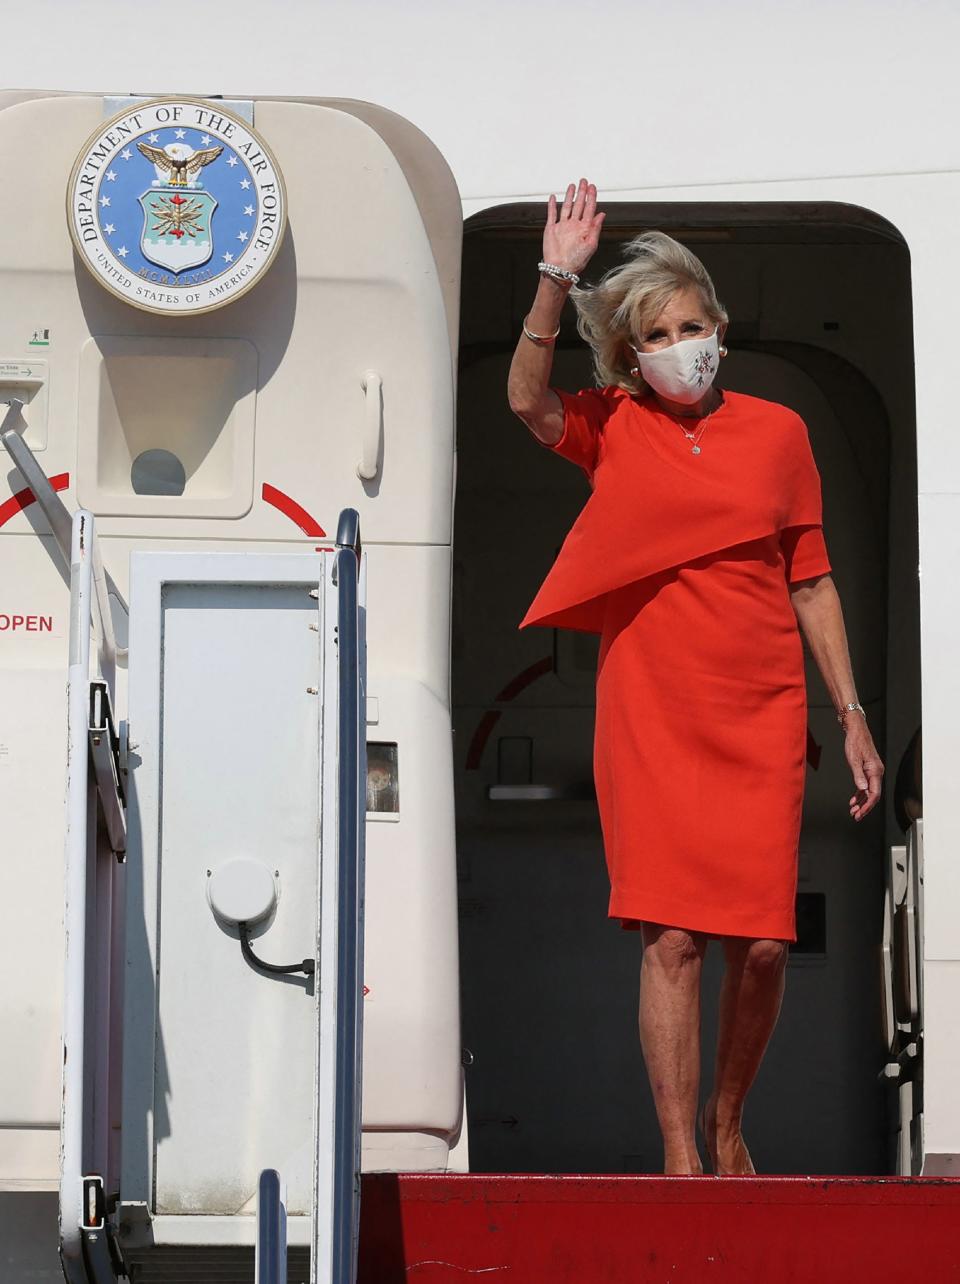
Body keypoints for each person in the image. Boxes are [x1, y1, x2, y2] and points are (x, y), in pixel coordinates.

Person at [507, 179, 885, 1177]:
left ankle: (727, 1120)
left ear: (719, 324)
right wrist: (558, 278)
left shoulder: (782, 433)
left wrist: (851, 714)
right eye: (658, 333)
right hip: (653, 706)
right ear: (631, 355)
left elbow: (812, 579)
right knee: (671, 935)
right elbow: (525, 399)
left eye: (692, 323)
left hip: (761, 705)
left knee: (760, 943)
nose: (681, 343)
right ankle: (681, 1152)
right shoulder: (612, 424)